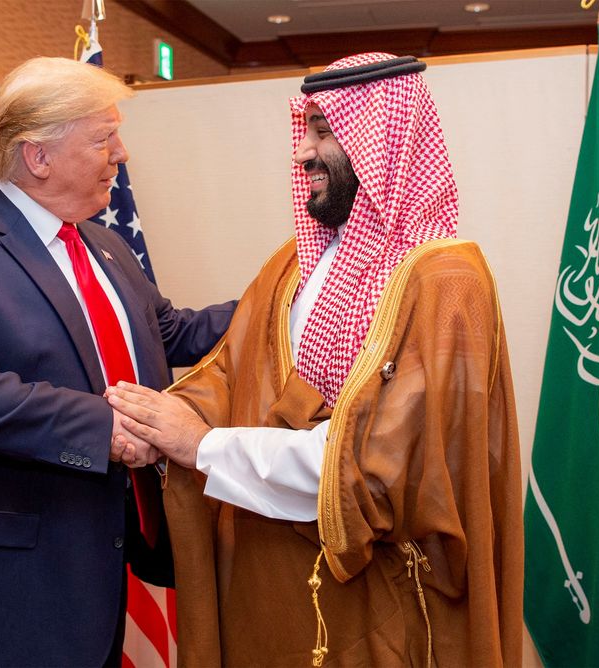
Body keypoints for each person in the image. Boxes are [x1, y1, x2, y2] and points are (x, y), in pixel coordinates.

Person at [107, 52, 523, 666]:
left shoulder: (446, 285)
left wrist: (201, 448)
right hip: (276, 596)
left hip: (387, 609)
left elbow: (381, 472)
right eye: (304, 129)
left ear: (382, 138)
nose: (302, 153)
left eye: (324, 131)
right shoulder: (295, 264)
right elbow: (232, 370)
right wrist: (156, 424)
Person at [0, 56, 235, 667]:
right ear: (38, 155)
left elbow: (172, 332)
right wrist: (103, 429)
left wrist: (292, 296)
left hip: (97, 575)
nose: (122, 153)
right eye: (104, 137)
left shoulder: (102, 243)